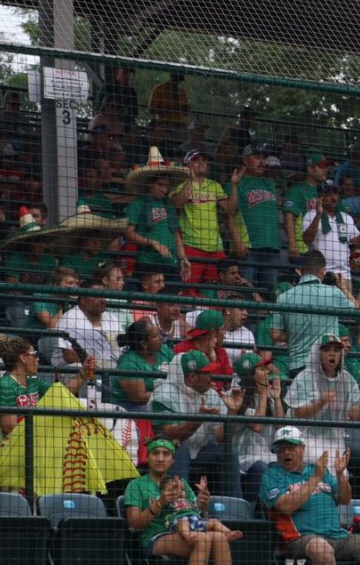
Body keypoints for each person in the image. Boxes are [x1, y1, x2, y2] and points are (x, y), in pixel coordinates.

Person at [260, 427, 360, 565]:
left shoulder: (318, 470)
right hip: (300, 538)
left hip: (337, 535)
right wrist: (315, 478)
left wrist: (340, 476)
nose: (286, 452)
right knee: (322, 550)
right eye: (281, 448)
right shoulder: (272, 475)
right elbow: (285, 507)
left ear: (302, 449)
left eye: (291, 447)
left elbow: (344, 499)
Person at [123, 437, 234, 565]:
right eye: (155, 453)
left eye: (166, 454)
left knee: (220, 538)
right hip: (155, 536)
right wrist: (159, 503)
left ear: (173, 461)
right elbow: (134, 524)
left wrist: (202, 505)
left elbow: (193, 514)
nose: (160, 458)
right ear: (147, 458)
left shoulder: (181, 483)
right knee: (202, 539)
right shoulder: (136, 485)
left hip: (188, 531)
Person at [150, 350, 245, 488]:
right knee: (179, 449)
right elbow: (170, 435)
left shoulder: (210, 394)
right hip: (166, 453)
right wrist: (198, 419)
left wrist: (232, 412)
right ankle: (179, 504)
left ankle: (234, 504)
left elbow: (221, 437)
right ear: (192, 377)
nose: (211, 377)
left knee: (229, 452)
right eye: (206, 373)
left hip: (199, 451)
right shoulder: (164, 394)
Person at [285, 335, 360, 474]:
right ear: (318, 353)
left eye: (336, 350)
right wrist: (321, 402)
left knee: (341, 481)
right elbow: (298, 414)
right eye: (327, 350)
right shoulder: (305, 377)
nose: (332, 354)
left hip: (336, 442)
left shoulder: (347, 379)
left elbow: (354, 415)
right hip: (308, 440)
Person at [0, 334, 95, 444]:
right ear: (23, 358)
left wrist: (83, 374)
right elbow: (9, 428)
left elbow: (61, 394)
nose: (38, 359)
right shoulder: (4, 386)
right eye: (35, 355)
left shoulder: (33, 381)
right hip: (7, 448)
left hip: (31, 440)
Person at [271, 250, 356, 378]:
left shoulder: (283, 297)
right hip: (327, 366)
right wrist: (342, 286)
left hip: (298, 367)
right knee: (330, 398)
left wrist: (297, 332)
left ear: (301, 270)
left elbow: (275, 335)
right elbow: (354, 307)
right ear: (322, 271)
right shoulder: (333, 292)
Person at [171, 149, 245, 288]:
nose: (201, 163)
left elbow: (229, 209)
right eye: (196, 160)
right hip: (191, 245)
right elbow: (178, 204)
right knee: (189, 289)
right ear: (188, 164)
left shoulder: (214, 185)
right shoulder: (181, 186)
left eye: (204, 160)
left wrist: (234, 186)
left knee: (215, 289)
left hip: (215, 247)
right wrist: (189, 179)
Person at [227, 352, 284, 505]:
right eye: (262, 370)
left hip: (266, 454)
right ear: (250, 375)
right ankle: (251, 510)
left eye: (267, 369)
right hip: (244, 457)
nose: (267, 373)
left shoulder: (266, 395)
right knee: (262, 468)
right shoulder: (238, 396)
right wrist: (264, 393)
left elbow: (281, 428)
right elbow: (257, 426)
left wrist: (277, 398)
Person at [231, 144, 283, 289]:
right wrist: (237, 242)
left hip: (271, 245)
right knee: (247, 288)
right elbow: (229, 215)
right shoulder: (237, 183)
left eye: (263, 158)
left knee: (271, 290)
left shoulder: (269, 183)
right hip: (249, 246)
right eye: (256, 157)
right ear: (245, 160)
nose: (261, 161)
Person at [302, 179, 360, 288]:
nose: (333, 198)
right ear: (320, 197)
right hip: (320, 275)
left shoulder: (346, 218)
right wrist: (318, 215)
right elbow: (306, 240)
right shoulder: (310, 215)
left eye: (335, 193)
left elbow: (357, 243)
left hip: (344, 276)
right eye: (328, 194)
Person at [53, 280, 122, 370]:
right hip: (71, 367)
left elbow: (120, 351)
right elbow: (69, 356)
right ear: (83, 300)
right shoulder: (70, 318)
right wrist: (96, 364)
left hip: (106, 365)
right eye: (97, 296)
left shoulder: (112, 319)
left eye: (104, 296)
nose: (103, 300)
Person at [110, 318, 171, 413]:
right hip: (131, 406)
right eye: (155, 336)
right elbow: (139, 398)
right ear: (143, 344)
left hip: (158, 401)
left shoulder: (164, 350)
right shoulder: (128, 363)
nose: (160, 338)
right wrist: (167, 395)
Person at [158, 475, 242, 542]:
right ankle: (188, 537)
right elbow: (160, 510)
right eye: (173, 489)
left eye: (182, 490)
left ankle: (229, 533)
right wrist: (163, 500)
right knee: (183, 522)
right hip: (177, 525)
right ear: (163, 493)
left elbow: (198, 506)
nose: (179, 492)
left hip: (195, 522)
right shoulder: (166, 502)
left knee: (214, 521)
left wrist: (202, 492)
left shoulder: (188, 501)